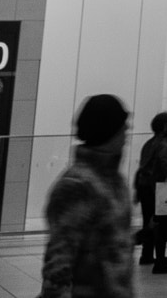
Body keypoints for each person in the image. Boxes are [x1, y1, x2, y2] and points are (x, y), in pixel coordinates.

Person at [42, 94, 135, 298]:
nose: (127, 132)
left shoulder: (114, 180)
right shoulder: (76, 186)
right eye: (122, 126)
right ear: (108, 129)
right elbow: (59, 263)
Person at [133, 113, 167, 268]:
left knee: (148, 219)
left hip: (143, 186)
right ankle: (138, 240)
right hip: (155, 187)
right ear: (164, 126)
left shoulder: (148, 144)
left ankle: (146, 254)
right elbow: (165, 166)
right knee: (157, 222)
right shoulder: (163, 144)